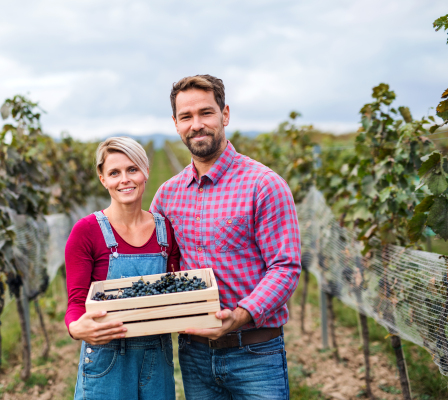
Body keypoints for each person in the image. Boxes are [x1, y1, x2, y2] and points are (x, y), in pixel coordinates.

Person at [150, 75, 301, 399]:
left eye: (206, 113)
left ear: (225, 114)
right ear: (176, 124)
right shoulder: (166, 195)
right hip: (194, 354)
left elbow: (285, 267)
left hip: (255, 352)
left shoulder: (264, 184)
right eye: (186, 117)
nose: (197, 124)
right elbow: (154, 265)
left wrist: (239, 316)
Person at [65, 136, 181, 400]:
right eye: (114, 173)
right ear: (103, 178)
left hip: (157, 356)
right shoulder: (86, 232)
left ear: (146, 171)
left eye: (132, 169)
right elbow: (75, 304)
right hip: (107, 357)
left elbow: (178, 293)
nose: (124, 179)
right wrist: (75, 328)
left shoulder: (166, 230)